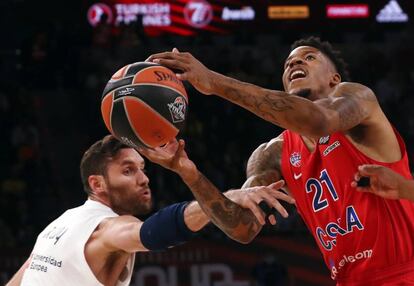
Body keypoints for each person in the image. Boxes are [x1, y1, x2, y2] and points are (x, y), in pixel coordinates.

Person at [148, 37, 414, 285]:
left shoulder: (358, 100)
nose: (295, 63)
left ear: (334, 78)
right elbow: (242, 228)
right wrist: (188, 172)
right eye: (288, 63)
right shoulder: (272, 153)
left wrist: (214, 82)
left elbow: (319, 121)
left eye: (309, 58)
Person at [6, 135, 294, 286]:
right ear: (97, 183)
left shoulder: (57, 225)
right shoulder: (105, 228)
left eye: (142, 169)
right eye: (128, 171)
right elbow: (154, 231)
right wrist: (225, 196)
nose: (143, 179)